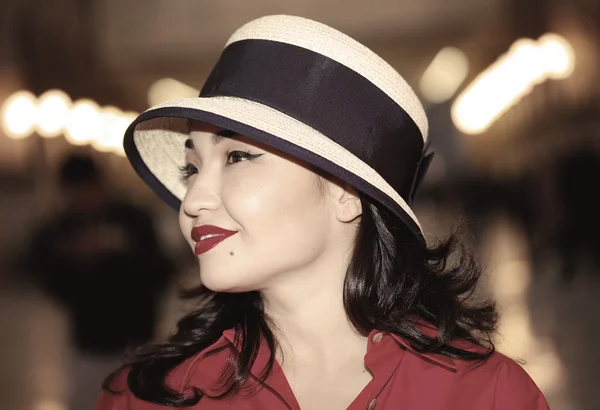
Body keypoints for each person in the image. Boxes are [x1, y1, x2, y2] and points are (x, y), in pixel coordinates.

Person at [96, 15, 550, 410]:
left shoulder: (488, 396)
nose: (193, 200)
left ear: (345, 192)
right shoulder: (147, 397)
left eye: (237, 157)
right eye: (190, 167)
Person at [27, 153, 173, 410]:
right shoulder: (62, 227)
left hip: (137, 336)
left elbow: (161, 270)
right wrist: (74, 258)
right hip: (89, 339)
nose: (82, 199)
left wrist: (119, 251)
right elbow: (45, 274)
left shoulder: (133, 219)